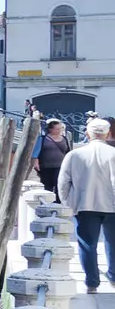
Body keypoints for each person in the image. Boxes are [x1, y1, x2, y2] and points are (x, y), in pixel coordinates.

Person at [59, 118, 115, 292]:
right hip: (112, 205)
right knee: (113, 243)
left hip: (85, 205)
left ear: (87, 134)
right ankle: (113, 277)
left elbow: (63, 182)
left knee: (87, 244)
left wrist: (68, 204)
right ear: (108, 134)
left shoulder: (74, 155)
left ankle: (92, 283)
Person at [37, 118, 72, 194]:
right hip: (46, 167)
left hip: (61, 166)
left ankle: (58, 202)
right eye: (57, 129)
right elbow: (36, 152)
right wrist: (36, 163)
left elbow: (68, 152)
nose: (59, 131)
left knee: (59, 184)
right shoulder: (42, 139)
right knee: (47, 186)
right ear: (50, 129)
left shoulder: (65, 139)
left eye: (60, 129)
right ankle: (48, 201)